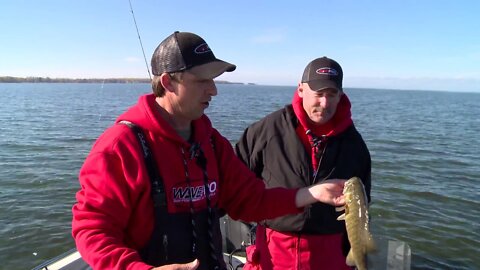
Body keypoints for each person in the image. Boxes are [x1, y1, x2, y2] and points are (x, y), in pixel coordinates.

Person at [71, 32, 348, 270]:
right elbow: (91, 229)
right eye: (203, 80)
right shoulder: (121, 146)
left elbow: (251, 200)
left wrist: (312, 193)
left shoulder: (212, 143)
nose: (213, 90)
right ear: (168, 83)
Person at [235, 57, 371, 270]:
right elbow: (234, 188)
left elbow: (364, 207)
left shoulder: (356, 146)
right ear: (300, 90)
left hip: (330, 258)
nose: (324, 103)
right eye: (318, 94)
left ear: (341, 95)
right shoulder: (265, 131)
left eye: (332, 94)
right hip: (273, 253)